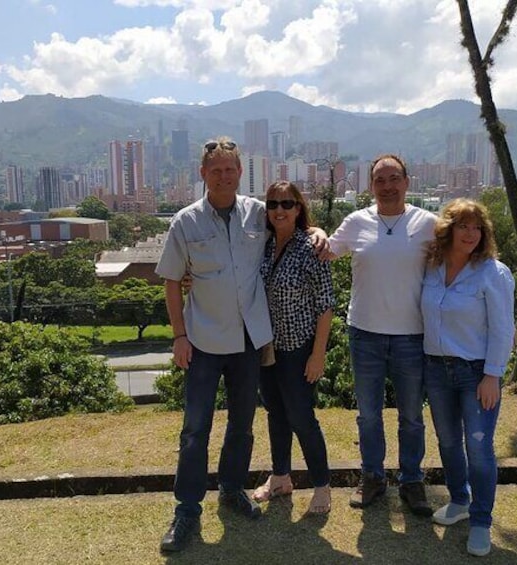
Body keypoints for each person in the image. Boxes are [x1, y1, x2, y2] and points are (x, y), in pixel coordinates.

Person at [155, 137, 326, 552]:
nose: (224, 176)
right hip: (202, 340)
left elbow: (292, 226)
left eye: (230, 169)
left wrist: (318, 230)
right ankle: (188, 509)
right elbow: (172, 282)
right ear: (203, 175)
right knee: (195, 429)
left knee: (242, 425)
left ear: (240, 172)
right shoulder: (185, 222)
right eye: (216, 170)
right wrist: (179, 335)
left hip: (248, 342)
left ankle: (232, 489)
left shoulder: (256, 214)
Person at [325, 154, 437, 515]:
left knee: (412, 416)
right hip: (366, 335)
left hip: (412, 336)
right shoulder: (357, 222)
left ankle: (411, 480)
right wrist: (311, 231)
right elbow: (325, 251)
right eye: (379, 180)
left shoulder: (429, 224)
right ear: (370, 186)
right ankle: (372, 477)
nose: (387, 186)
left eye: (394, 179)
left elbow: (464, 257)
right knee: (368, 415)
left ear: (407, 181)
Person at [420, 198, 515, 557]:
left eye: (477, 227)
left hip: (476, 373)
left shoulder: (493, 273)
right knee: (446, 441)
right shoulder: (432, 267)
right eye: (463, 225)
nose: (471, 233)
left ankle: (480, 521)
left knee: (478, 448)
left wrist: (492, 375)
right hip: (437, 368)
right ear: (448, 229)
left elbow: (503, 330)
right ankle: (459, 500)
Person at [252, 181, 334, 515]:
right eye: (273, 204)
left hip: (298, 347)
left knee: (302, 416)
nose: (279, 210)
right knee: (276, 414)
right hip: (266, 346)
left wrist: (318, 354)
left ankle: (322, 486)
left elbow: (326, 305)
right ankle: (281, 477)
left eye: (287, 203)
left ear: (298, 208)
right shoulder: (264, 245)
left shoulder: (311, 247)